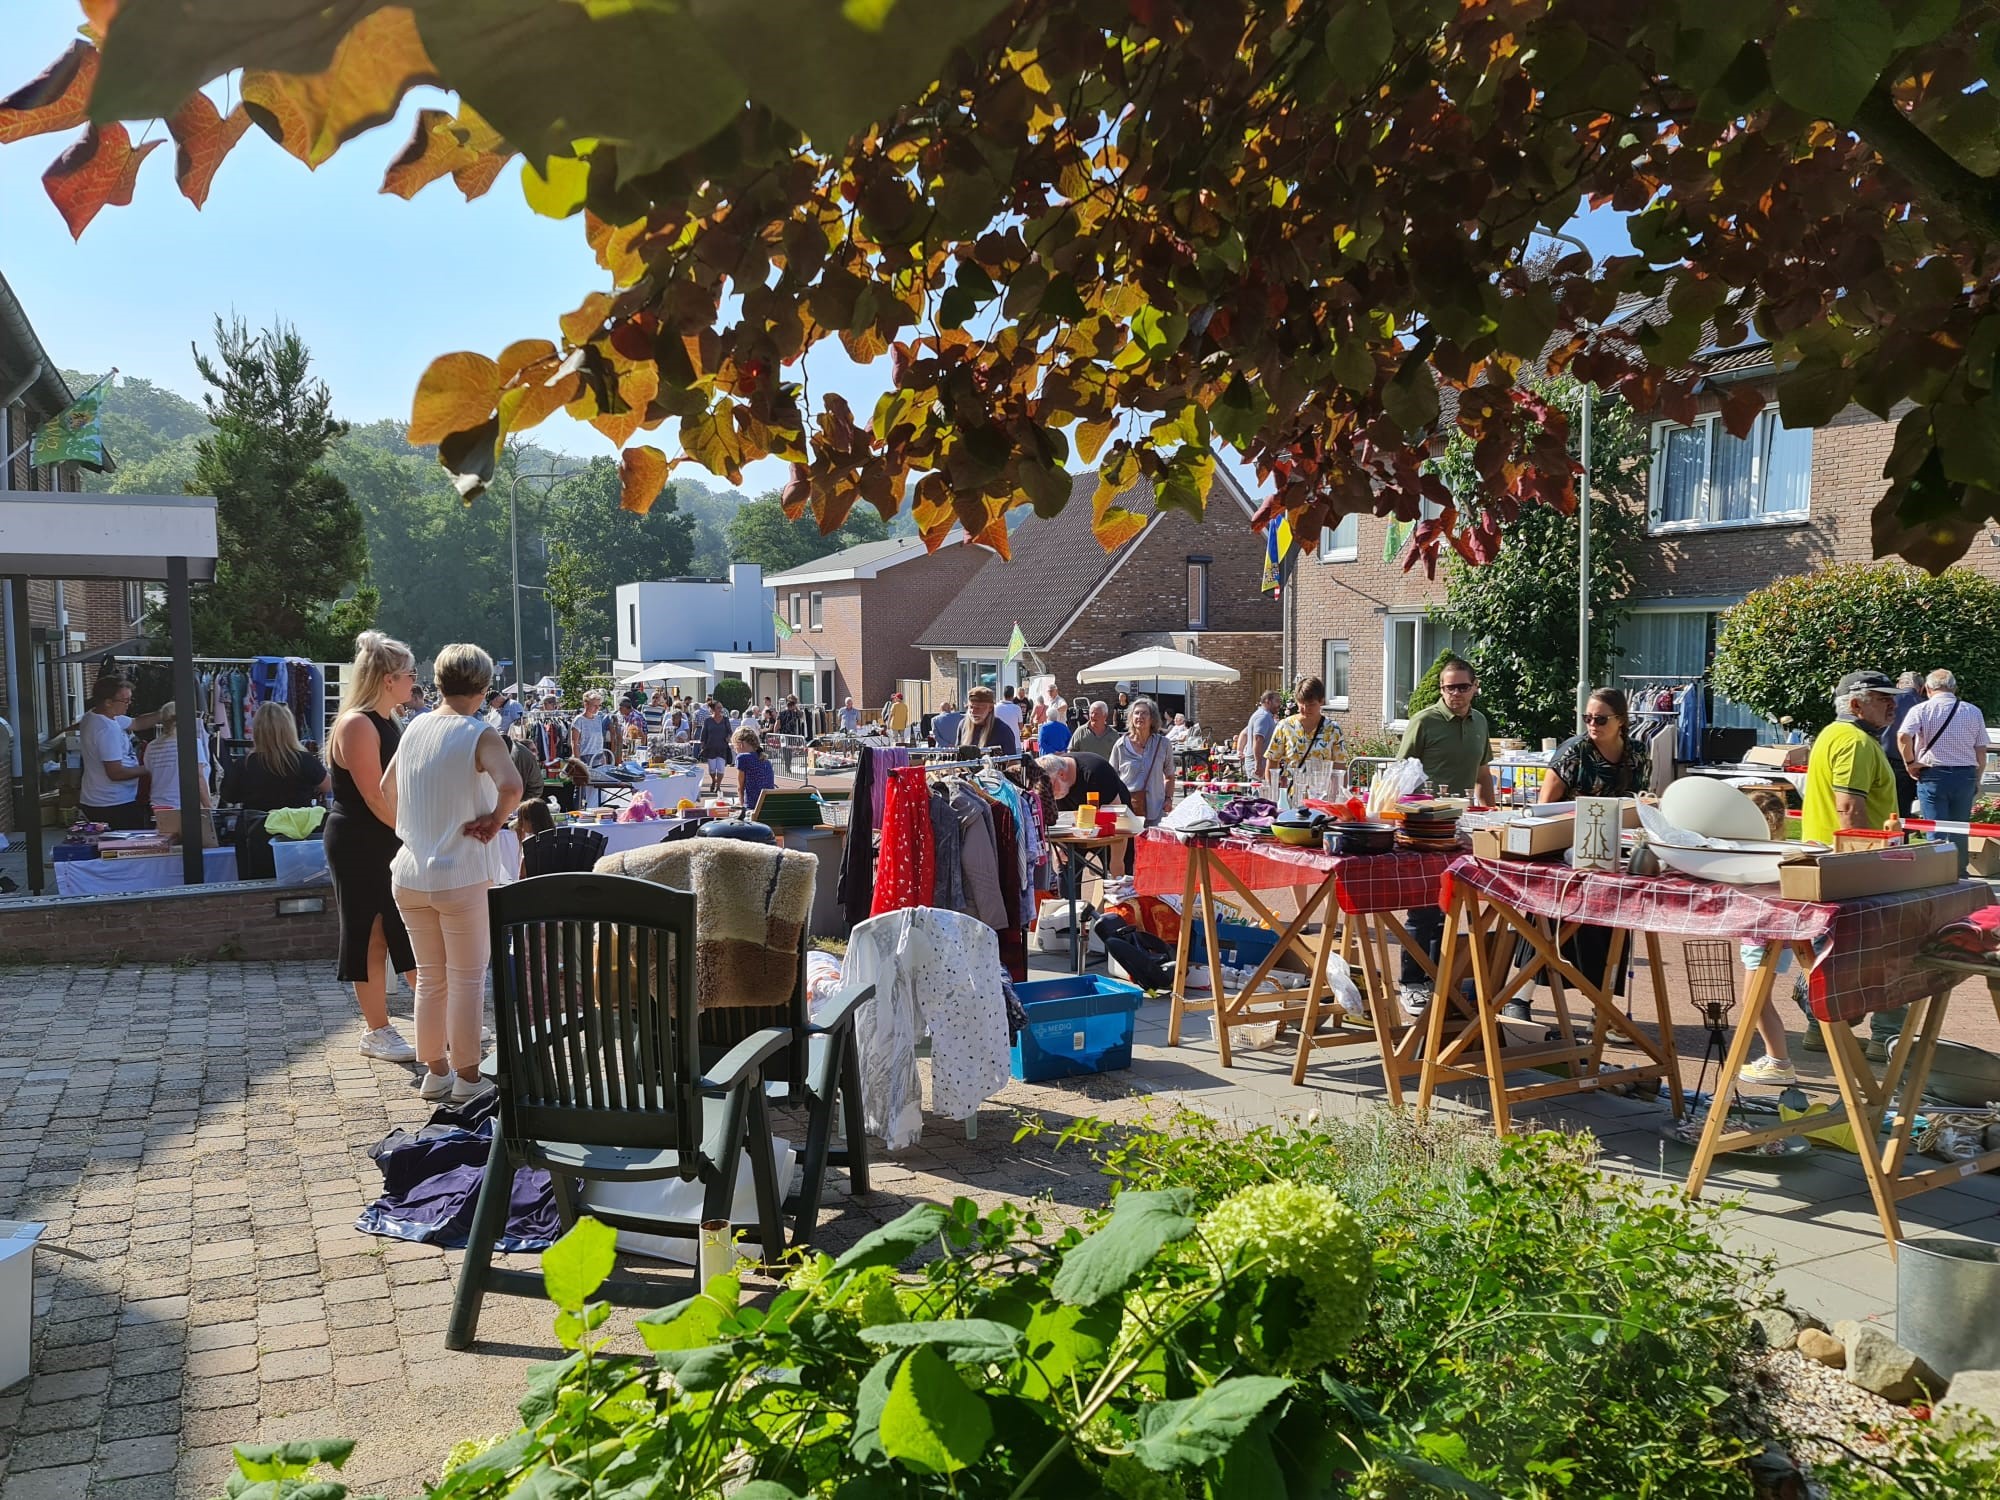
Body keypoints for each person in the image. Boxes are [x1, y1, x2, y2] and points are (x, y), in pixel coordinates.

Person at [1739, 670, 1907, 1082]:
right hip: (1850, 868)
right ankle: (1884, 1038)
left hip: (1824, 864)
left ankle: (1819, 1026)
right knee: (1886, 953)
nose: (1893, 705)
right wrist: (1871, 864)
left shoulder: (1832, 734)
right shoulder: (1855, 741)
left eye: (1893, 697)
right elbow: (1850, 809)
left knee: (1823, 955)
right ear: (1855, 704)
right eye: (1882, 698)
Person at [383, 642, 523, 1106]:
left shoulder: (414, 726)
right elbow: (513, 785)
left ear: (438, 682)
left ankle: (435, 1072)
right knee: (466, 979)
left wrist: (419, 828)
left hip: (409, 872)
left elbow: (387, 788)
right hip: (460, 871)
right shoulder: (480, 733)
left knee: (431, 977)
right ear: (483, 688)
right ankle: (467, 1076)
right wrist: (495, 821)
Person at [326, 630, 421, 1064]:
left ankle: (436, 1013)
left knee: (404, 926)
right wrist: (412, 833)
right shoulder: (358, 724)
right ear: (387, 679)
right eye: (408, 674)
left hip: (386, 834)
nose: (413, 683)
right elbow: (373, 795)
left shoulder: (388, 721)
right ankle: (377, 1029)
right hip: (361, 839)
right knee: (371, 930)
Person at [1395, 659, 1495, 1014]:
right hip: (1425, 826)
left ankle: (1442, 979)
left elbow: (1483, 774)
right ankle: (1411, 982)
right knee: (1424, 908)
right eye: (1449, 687)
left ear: (1474, 686)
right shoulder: (1424, 721)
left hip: (1463, 825)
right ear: (1441, 689)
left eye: (1462, 687)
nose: (1456, 694)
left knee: (1455, 906)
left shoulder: (1480, 722)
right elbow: (1400, 775)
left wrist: (1492, 816)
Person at [1898, 668, 1986, 878]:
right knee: (1959, 828)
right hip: (1965, 774)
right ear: (1954, 687)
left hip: (1933, 774)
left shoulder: (1921, 709)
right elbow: (1980, 750)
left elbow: (1903, 737)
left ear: (1927, 688)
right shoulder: (1972, 711)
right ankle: (1960, 871)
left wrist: (1910, 762)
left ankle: (1935, 873)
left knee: (1935, 828)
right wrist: (1978, 778)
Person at [224, 702, 330, 811]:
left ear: (257, 730)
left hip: (257, 825)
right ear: (289, 729)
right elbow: (327, 785)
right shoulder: (305, 760)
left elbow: (229, 796)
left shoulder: (244, 764)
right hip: (298, 825)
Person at [143, 701, 216, 847]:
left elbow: (152, 773)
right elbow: (198, 778)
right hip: (185, 806)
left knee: (166, 851)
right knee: (196, 849)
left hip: (159, 807)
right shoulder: (191, 743)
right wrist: (209, 809)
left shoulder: (152, 746)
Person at [1266, 676, 1346, 790]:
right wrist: (1273, 794)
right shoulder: (1285, 726)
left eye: (1311, 704)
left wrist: (1338, 796)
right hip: (1291, 797)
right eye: (1301, 703)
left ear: (1321, 701)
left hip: (1321, 798)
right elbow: (1272, 762)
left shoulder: (1333, 729)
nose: (1305, 708)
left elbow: (1340, 767)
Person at [1112, 697, 1174, 827]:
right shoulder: (1121, 745)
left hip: (1156, 811)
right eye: (1137, 713)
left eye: (1145, 713)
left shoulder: (1163, 744)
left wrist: (1168, 799)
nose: (1140, 716)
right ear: (1131, 718)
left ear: (1152, 718)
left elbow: (1169, 776)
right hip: (1128, 810)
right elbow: (1111, 779)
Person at [1884, 670, 1925, 816]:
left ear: (1898, 684)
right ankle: (1903, 837)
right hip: (1912, 764)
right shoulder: (1925, 705)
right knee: (1903, 810)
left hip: (1884, 760)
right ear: (1921, 688)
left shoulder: (1886, 702)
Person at [1038, 751, 1129, 810]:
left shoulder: (1097, 772)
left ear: (1062, 774)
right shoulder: (1057, 775)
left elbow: (1117, 815)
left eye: (1050, 788)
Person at [957, 685, 1019, 755]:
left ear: (990, 708)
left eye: (978, 708)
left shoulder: (1002, 730)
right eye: (971, 707)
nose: (973, 712)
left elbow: (1012, 763)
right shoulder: (963, 725)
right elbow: (957, 756)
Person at [734, 724, 776, 808]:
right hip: (768, 804)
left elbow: (740, 788)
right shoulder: (765, 760)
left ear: (741, 744)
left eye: (735, 746)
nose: (735, 749)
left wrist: (741, 805)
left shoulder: (742, 758)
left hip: (752, 805)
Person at [698, 698, 734, 793]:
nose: (720, 709)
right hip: (710, 748)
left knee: (721, 768)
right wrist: (702, 745)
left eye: (721, 707)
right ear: (713, 709)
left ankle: (718, 786)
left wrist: (728, 737)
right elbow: (703, 734)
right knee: (712, 769)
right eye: (718, 708)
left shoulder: (726, 720)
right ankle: (714, 781)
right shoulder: (708, 721)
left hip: (722, 748)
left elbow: (730, 731)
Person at [514, 797, 555, 877]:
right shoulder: (558, 840)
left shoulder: (529, 845)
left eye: (521, 820)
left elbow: (522, 876)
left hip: (533, 886)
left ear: (531, 821)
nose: (520, 824)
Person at [572, 689, 614, 767]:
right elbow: (574, 743)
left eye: (599, 705)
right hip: (584, 758)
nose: (597, 708)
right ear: (586, 704)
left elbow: (599, 740)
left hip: (599, 757)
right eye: (595, 705)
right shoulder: (579, 720)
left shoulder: (598, 719)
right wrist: (578, 762)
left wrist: (603, 758)